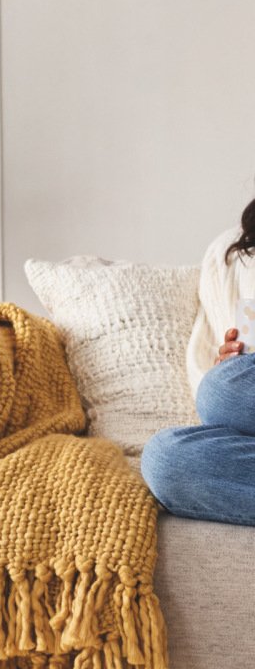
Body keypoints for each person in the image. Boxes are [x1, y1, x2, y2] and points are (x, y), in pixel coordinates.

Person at [141, 197, 255, 528]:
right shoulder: (233, 253)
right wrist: (226, 362)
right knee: (167, 458)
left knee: (223, 391)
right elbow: (219, 395)